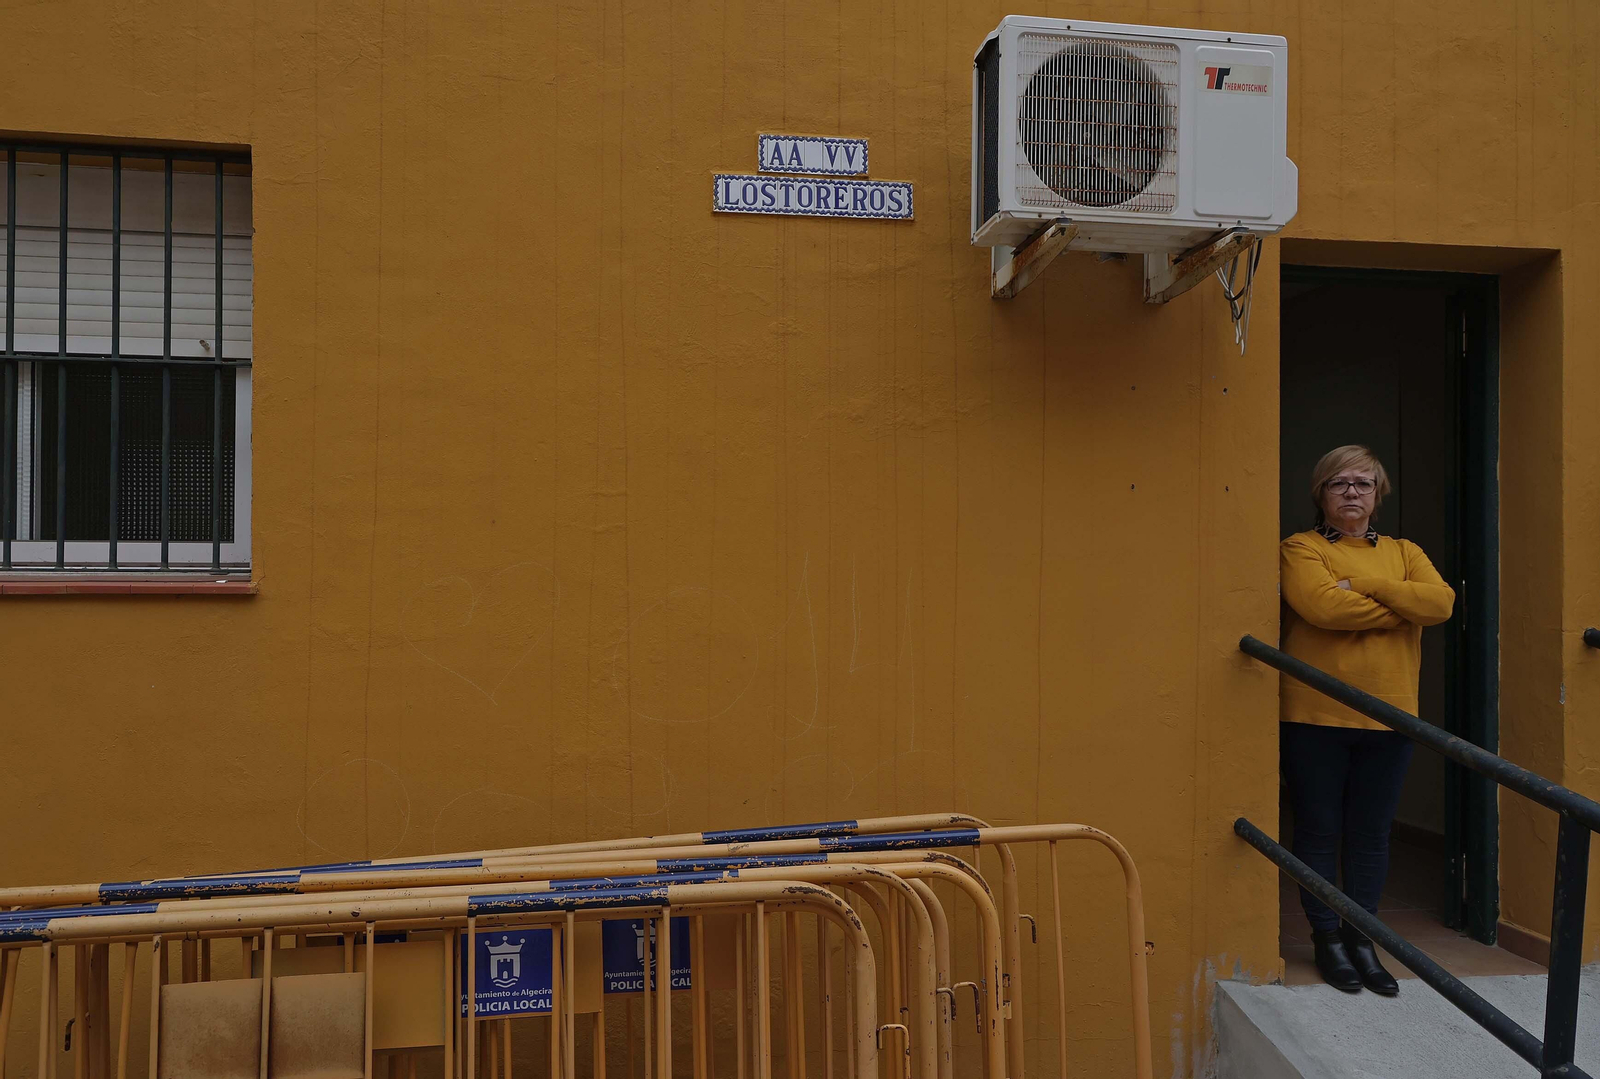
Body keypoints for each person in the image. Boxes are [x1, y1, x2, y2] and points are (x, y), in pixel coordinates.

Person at [1279, 445, 1455, 995]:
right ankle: (1327, 938)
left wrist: (1369, 587)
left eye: (1363, 483)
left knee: (1371, 835)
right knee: (1318, 828)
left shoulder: (1405, 550)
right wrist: (1402, 607)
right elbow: (1323, 609)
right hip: (1316, 711)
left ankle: (1363, 937)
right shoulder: (1300, 547)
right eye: (1339, 483)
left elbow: (1442, 604)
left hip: (1391, 713)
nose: (1351, 492)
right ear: (1321, 494)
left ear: (1379, 495)